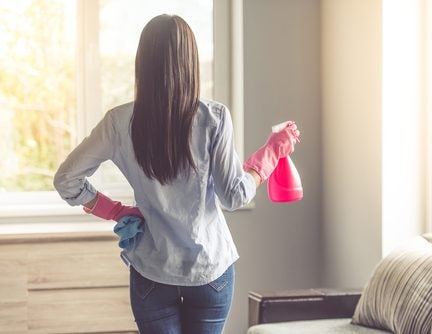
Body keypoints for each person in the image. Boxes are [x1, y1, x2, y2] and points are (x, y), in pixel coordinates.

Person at [53, 14, 299, 334]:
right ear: (190, 62)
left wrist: (115, 211)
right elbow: (234, 195)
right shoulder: (214, 117)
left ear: (143, 64)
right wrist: (270, 153)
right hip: (210, 271)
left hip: (153, 272)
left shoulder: (118, 121)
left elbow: (66, 180)